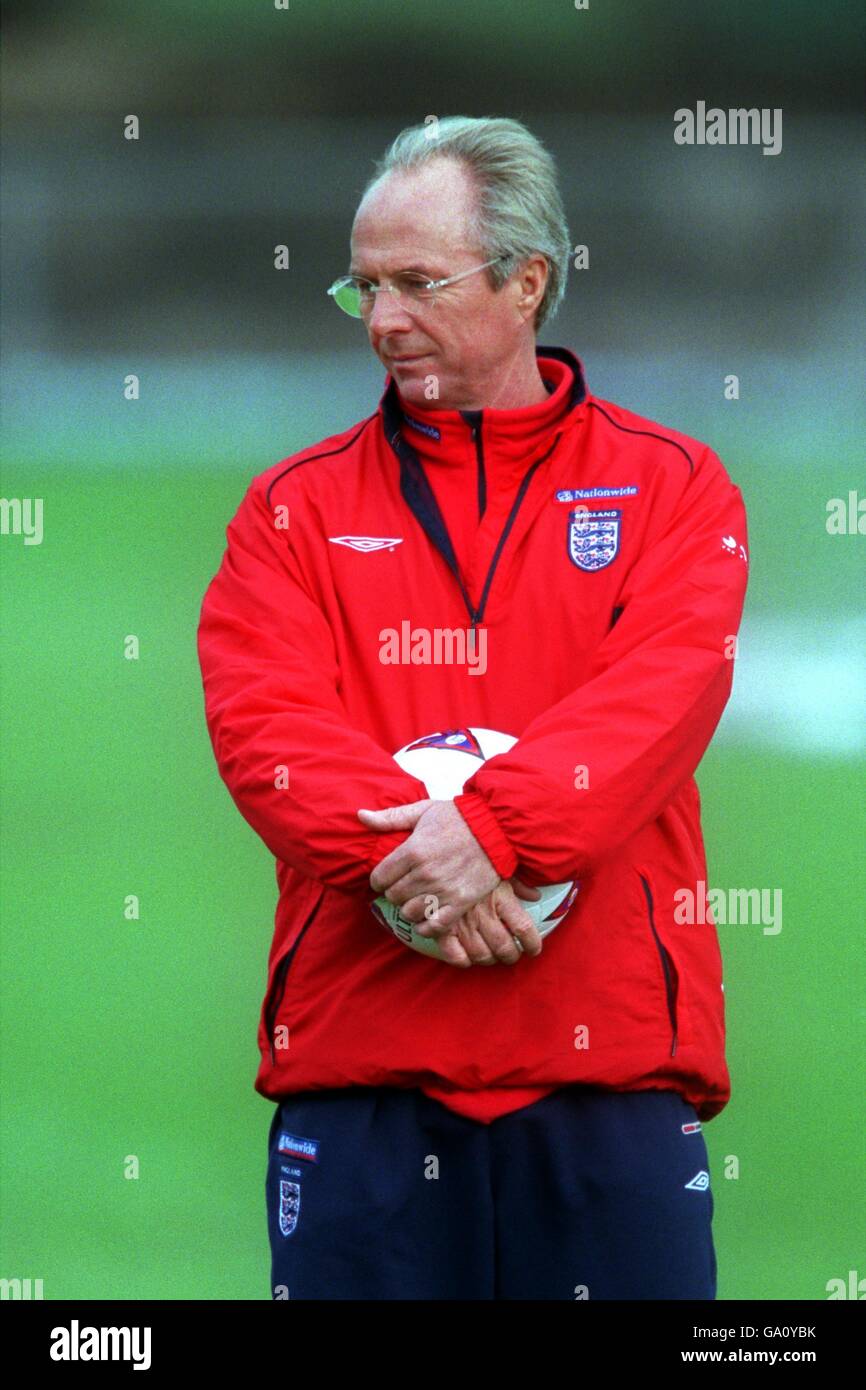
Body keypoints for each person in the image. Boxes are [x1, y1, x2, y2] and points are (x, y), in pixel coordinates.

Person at [196, 115, 749, 1300]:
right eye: (364, 287)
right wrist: (431, 864)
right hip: (366, 1079)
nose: (384, 319)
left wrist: (493, 831)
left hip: (608, 1081)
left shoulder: (670, 485)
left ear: (526, 280)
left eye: (418, 282)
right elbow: (265, 728)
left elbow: (663, 693)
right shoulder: (289, 510)